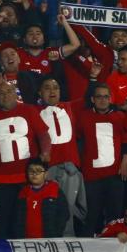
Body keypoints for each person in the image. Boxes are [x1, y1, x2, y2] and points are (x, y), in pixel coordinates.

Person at [0, 82, 51, 239]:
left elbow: (43, 135)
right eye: (1, 93)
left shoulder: (29, 110)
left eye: (8, 91)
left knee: (26, 220)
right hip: (3, 180)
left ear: (15, 93)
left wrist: (46, 153)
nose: (5, 96)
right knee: (3, 221)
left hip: (28, 178)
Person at [37, 76, 87, 236]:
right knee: (48, 211)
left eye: (55, 87)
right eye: (47, 87)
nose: (52, 91)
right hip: (47, 171)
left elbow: (90, 95)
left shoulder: (70, 107)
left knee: (70, 210)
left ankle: (68, 244)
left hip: (70, 171)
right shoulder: (33, 111)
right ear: (39, 92)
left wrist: (92, 76)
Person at [77, 82, 127, 237]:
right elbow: (78, 142)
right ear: (92, 99)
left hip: (114, 175)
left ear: (110, 99)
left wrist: (125, 162)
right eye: (99, 97)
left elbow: (126, 141)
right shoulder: (83, 117)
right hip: (92, 177)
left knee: (115, 217)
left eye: (106, 97)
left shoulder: (119, 117)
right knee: (91, 217)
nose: (103, 100)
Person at [14, 158, 70, 238]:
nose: (34, 174)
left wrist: (56, 235)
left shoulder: (55, 191)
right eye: (31, 171)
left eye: (38, 171)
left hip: (48, 240)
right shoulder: (23, 193)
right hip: (25, 241)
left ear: (45, 174)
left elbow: (64, 214)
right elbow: (17, 219)